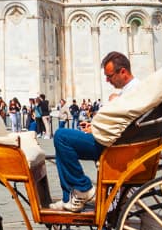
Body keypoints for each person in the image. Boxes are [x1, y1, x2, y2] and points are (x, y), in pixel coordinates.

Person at [50, 52, 138, 212]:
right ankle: (69, 198)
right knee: (61, 147)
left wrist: (99, 124)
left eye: (109, 76)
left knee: (61, 136)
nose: (107, 80)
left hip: (114, 145)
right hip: (111, 139)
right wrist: (94, 126)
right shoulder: (131, 90)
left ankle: (83, 189)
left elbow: (123, 121)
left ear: (123, 72)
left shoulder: (133, 91)